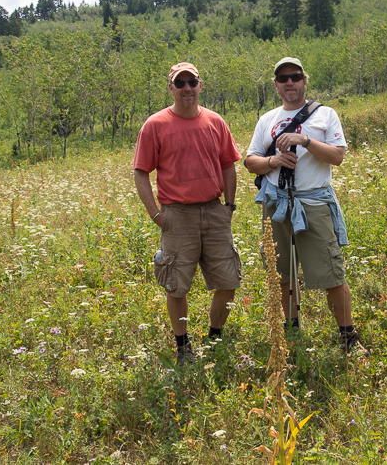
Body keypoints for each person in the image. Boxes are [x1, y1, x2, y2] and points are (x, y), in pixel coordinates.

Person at [245, 57, 367, 354]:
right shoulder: (267, 120)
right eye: (283, 78)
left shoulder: (325, 115)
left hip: (313, 203)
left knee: (331, 273)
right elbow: (251, 161)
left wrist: (306, 140)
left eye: (295, 77)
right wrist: (273, 161)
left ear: (304, 80)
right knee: (281, 273)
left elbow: (337, 156)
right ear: (275, 85)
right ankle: (291, 337)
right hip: (277, 204)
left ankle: (348, 338)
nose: (290, 83)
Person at [133, 61, 242, 365]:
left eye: (191, 82)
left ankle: (215, 337)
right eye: (179, 84)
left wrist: (229, 206)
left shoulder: (214, 121)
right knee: (176, 284)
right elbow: (140, 172)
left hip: (214, 211)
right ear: (171, 89)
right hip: (176, 216)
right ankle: (183, 347)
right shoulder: (155, 125)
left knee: (228, 280)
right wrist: (156, 215)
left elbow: (228, 163)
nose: (186, 89)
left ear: (200, 85)